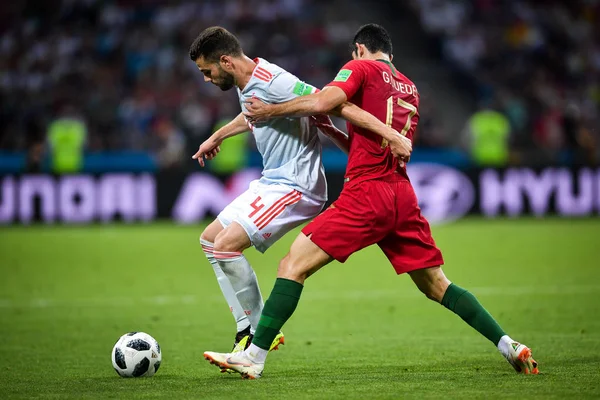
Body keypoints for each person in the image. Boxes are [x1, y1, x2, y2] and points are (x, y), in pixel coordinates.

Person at [203, 24, 538, 379]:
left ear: (360, 49)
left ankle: (254, 356)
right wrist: (334, 132)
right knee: (438, 285)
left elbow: (324, 101)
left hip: (366, 194)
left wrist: (270, 111)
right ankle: (509, 345)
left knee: (292, 266)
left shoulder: (361, 67)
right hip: (401, 194)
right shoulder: (409, 87)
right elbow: (369, 144)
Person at [189, 26, 411, 358]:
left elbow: (333, 104)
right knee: (209, 240)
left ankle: (257, 331)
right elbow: (252, 113)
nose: (207, 79)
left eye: (208, 72)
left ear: (226, 61)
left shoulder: (274, 79)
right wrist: (219, 136)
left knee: (225, 248)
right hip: (272, 181)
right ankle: (245, 329)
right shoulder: (247, 81)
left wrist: (389, 135)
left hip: (297, 185)